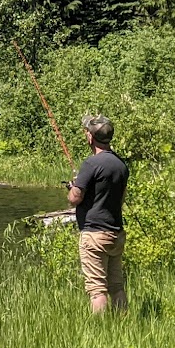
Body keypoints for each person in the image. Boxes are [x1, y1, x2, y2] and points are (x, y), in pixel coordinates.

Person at [67, 113, 128, 313]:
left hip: (94, 235)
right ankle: (122, 323)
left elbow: (75, 198)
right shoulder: (121, 164)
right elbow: (120, 198)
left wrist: (72, 187)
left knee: (97, 290)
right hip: (116, 233)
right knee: (116, 286)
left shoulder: (91, 164)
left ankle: (99, 328)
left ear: (90, 137)